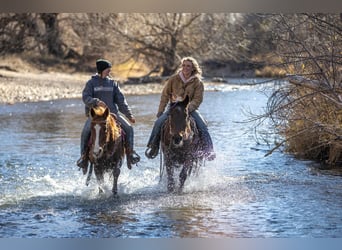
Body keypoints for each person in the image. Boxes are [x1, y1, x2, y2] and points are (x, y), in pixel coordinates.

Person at [145, 56, 216, 161]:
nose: (186, 68)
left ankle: (208, 150)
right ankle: (153, 147)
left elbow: (198, 99)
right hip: (174, 108)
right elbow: (165, 95)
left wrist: (188, 108)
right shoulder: (173, 79)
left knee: (202, 125)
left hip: (190, 109)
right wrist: (160, 110)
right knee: (158, 122)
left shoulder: (198, 82)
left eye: (188, 66)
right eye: (184, 65)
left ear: (193, 68)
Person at [77, 59, 140, 172]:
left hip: (112, 114)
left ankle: (130, 154)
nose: (109, 71)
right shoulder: (91, 83)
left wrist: (129, 115)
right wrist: (96, 101)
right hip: (96, 117)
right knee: (85, 132)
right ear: (101, 70)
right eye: (107, 69)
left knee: (129, 129)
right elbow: (85, 98)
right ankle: (83, 158)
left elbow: (121, 101)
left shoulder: (113, 83)